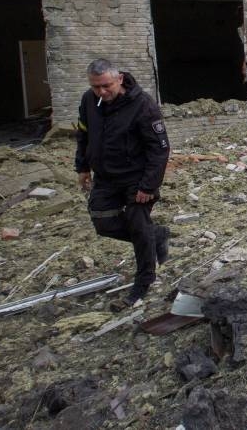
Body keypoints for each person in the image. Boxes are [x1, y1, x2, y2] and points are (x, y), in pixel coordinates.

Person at [75, 59, 171, 311]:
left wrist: (148, 186)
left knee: (138, 227)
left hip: (136, 179)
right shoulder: (89, 101)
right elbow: (83, 134)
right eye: (96, 87)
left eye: (106, 85)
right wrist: (82, 166)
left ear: (119, 79)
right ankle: (156, 236)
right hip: (106, 177)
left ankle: (143, 283)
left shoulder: (143, 105)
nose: (101, 92)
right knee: (102, 222)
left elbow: (159, 149)